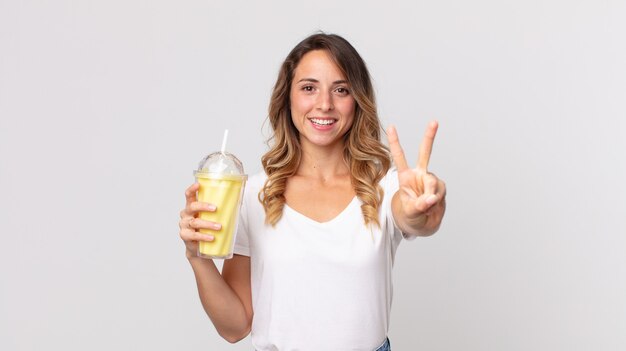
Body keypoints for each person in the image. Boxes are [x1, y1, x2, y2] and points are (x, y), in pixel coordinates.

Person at [178, 33, 447, 351]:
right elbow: (235, 326)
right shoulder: (253, 195)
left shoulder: (385, 189)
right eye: (309, 88)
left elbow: (417, 219)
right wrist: (198, 259)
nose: (325, 104)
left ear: (357, 100)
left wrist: (423, 209)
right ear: (287, 97)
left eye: (341, 90)